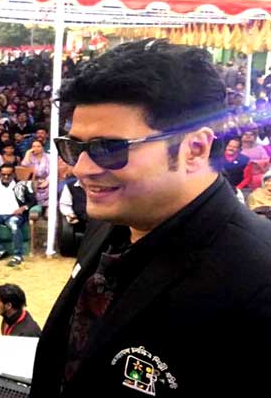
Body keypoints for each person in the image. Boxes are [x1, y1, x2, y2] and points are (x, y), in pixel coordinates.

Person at [31, 39, 271, 398]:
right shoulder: (113, 221)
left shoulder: (258, 277)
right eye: (74, 147)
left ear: (195, 149)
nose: (82, 168)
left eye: (109, 148)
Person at [0, 164, 36, 266]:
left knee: (14, 225)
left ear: (14, 174)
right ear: (0, 173)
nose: (6, 177)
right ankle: (0, 250)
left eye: (9, 175)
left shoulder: (22, 185)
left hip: (14, 215)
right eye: (3, 174)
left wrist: (23, 208)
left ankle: (18, 256)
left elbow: (33, 200)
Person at [22, 139, 51, 208]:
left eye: (38, 146)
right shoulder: (30, 156)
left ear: (42, 147)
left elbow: (52, 172)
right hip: (33, 181)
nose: (36, 148)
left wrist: (47, 181)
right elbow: (24, 165)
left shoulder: (49, 157)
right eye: (34, 146)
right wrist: (27, 153)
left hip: (47, 181)